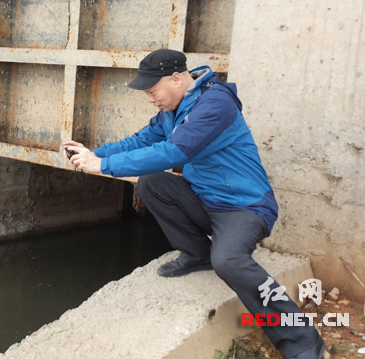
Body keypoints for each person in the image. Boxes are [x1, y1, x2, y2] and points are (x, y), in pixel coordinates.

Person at [63, 49, 324, 359]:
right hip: (204, 199)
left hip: (243, 207)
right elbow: (141, 140)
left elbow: (175, 152)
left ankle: (303, 341)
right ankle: (197, 254)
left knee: (227, 260)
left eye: (151, 91)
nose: (150, 98)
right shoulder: (171, 109)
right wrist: (93, 153)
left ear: (176, 78)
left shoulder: (215, 104)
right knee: (152, 183)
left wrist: (104, 166)